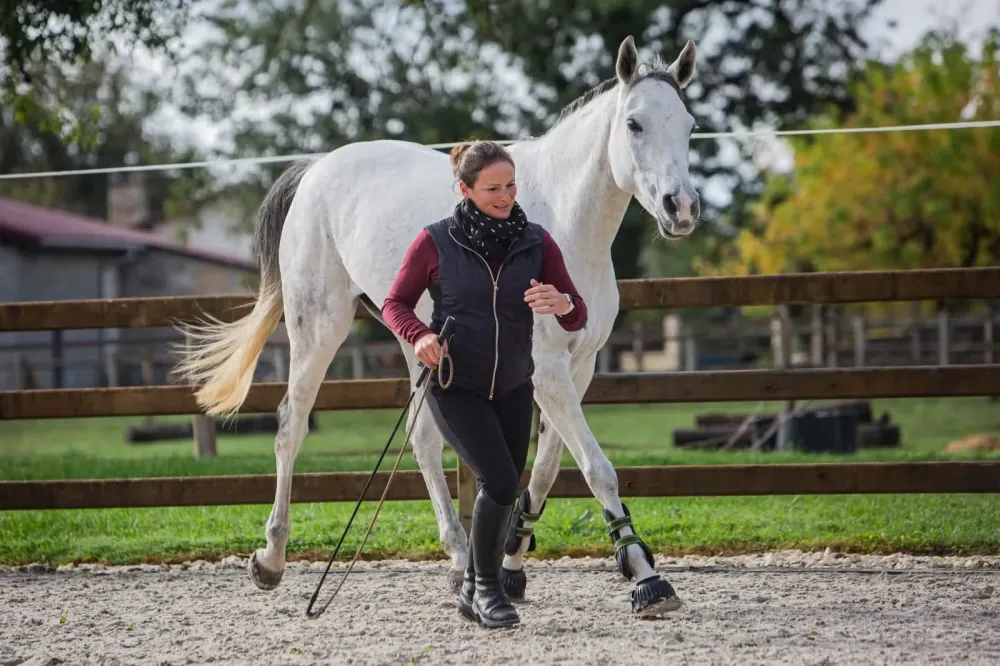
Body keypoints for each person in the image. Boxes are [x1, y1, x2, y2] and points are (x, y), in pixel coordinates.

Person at [382, 140, 588, 628]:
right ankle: (489, 589)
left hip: (516, 385)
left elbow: (577, 311)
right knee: (497, 480)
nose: (505, 196)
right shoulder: (434, 242)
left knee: (503, 488)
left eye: (511, 185)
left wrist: (561, 303)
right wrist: (421, 336)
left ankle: (473, 590)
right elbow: (396, 304)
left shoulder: (537, 242)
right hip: (455, 385)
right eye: (492, 188)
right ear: (466, 189)